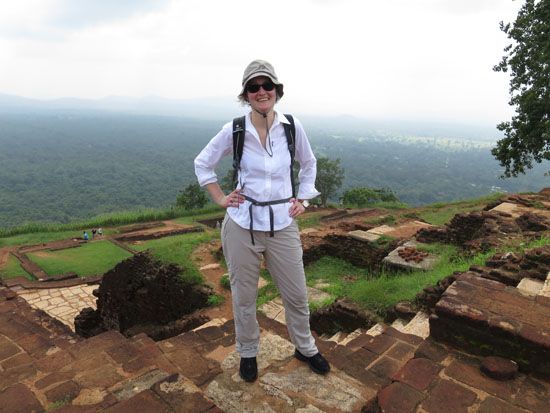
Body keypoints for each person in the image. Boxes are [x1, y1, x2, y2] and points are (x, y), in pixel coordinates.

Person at [194, 59, 330, 382]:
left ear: (277, 91)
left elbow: (308, 164)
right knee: (244, 295)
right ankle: (248, 351)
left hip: (282, 223)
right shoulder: (235, 130)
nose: (261, 92)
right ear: (246, 95)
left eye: (267, 85)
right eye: (253, 87)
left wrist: (305, 199)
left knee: (296, 292)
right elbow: (203, 163)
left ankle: (305, 346)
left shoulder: (292, 128)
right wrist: (220, 198)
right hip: (242, 224)